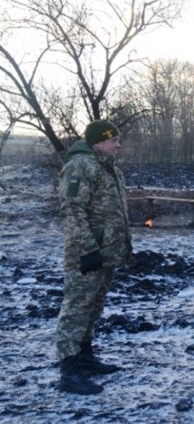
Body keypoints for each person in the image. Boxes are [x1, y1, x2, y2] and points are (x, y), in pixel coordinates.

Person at [56, 120, 132, 395]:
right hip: (87, 254)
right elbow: (72, 210)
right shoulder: (80, 166)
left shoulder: (107, 167)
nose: (118, 145)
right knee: (76, 309)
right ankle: (69, 371)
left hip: (106, 253)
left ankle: (85, 356)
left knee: (93, 306)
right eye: (113, 140)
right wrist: (88, 250)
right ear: (98, 141)